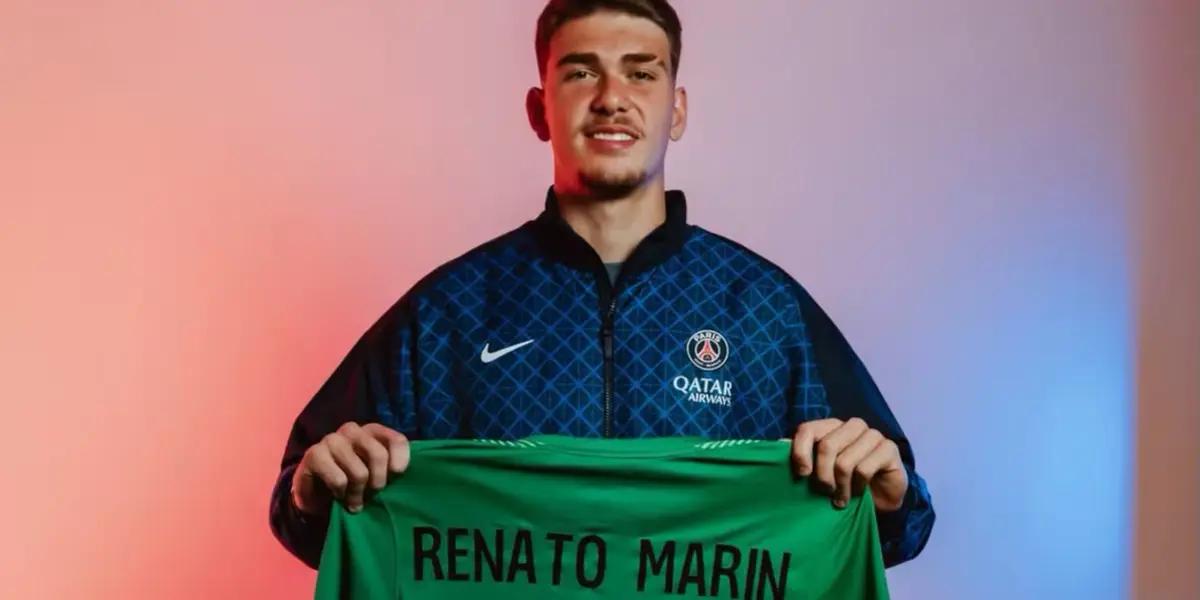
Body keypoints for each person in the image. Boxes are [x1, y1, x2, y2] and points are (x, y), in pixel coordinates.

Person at [269, 0, 934, 572]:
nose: (612, 97)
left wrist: (891, 496)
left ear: (677, 110)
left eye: (641, 73)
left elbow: (900, 524)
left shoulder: (765, 310)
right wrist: (313, 492)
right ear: (539, 110)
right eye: (581, 72)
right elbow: (307, 513)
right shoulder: (449, 313)